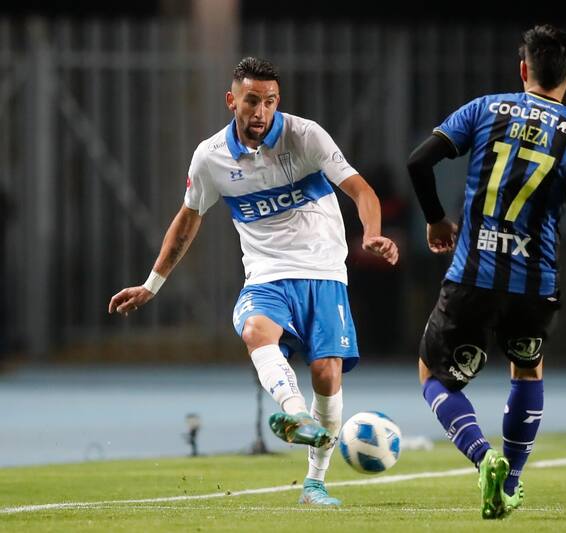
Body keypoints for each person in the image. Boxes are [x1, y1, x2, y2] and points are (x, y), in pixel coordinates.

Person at [108, 57, 398, 506]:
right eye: (252, 101)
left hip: (323, 271)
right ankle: (294, 414)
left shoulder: (306, 136)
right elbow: (187, 220)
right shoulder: (211, 158)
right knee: (254, 329)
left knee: (326, 373)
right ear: (232, 101)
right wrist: (152, 284)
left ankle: (315, 484)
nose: (261, 111)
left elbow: (361, 191)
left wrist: (373, 232)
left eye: (270, 101)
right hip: (266, 274)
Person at [407, 25, 566, 520]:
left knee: (433, 375)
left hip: (471, 279)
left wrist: (435, 218)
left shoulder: (485, 109)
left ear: (522, 68)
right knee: (527, 368)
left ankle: (483, 456)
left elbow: (418, 161)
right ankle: (509, 482)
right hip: (535, 287)